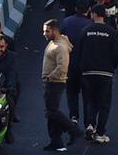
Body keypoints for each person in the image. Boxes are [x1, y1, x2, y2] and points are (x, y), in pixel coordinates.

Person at [77, 3, 118, 143]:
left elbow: (79, 52)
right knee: (104, 103)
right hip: (105, 72)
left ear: (94, 14)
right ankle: (100, 133)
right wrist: (111, 67)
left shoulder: (85, 31)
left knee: (91, 100)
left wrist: (82, 67)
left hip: (88, 72)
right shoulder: (112, 32)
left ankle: (90, 124)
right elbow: (117, 54)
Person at [41, 20, 79, 152]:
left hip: (55, 83)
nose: (44, 33)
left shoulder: (60, 47)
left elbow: (62, 68)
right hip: (51, 82)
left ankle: (73, 130)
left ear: (55, 31)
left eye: (47, 31)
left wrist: (49, 77)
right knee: (51, 113)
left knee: (52, 112)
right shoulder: (56, 42)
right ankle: (56, 141)